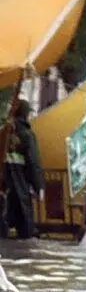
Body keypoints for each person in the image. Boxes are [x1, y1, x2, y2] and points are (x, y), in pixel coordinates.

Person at [2, 100, 45, 240]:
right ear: (26, 114)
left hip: (4, 188)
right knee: (25, 230)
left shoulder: (3, 134)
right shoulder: (27, 135)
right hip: (20, 189)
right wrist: (39, 187)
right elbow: (33, 163)